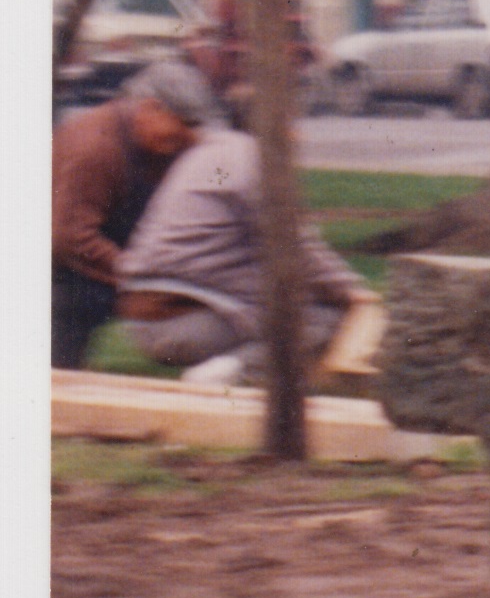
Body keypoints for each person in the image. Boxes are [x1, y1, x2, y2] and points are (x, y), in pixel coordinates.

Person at [113, 119, 377, 387]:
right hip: (185, 322)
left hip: (142, 322)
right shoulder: (254, 162)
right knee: (326, 318)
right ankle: (229, 372)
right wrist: (352, 292)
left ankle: (268, 376)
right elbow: (295, 245)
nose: (299, 136)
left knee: (298, 305)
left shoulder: (208, 154)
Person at [54, 60, 213, 367]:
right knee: (70, 309)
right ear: (151, 108)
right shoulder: (96, 148)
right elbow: (69, 238)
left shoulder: (158, 140)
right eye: (184, 125)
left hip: (119, 253)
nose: (188, 138)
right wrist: (138, 274)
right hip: (61, 268)